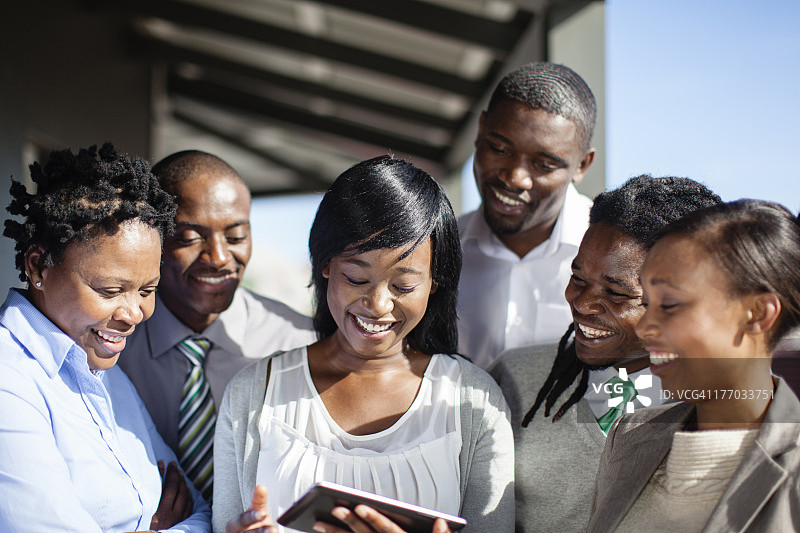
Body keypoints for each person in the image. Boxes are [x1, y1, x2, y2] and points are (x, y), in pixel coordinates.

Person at [214, 156, 515, 533]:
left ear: (435, 281)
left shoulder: (474, 401)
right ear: (325, 265)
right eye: (356, 278)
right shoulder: (253, 393)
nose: (378, 305)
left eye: (403, 286)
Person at [490, 175, 721, 532]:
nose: (582, 303)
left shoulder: (719, 411)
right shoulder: (515, 378)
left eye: (616, 293)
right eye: (578, 278)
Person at [0, 144, 211, 531]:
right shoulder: (8, 380)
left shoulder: (106, 373)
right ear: (37, 267)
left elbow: (200, 512)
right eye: (110, 291)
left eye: (147, 290)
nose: (134, 314)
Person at [587, 200, 800, 532]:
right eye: (646, 304)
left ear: (758, 314)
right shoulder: (628, 439)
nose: (644, 328)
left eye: (669, 304)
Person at [119, 150, 316, 500]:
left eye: (236, 237)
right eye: (190, 237)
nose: (220, 258)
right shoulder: (112, 343)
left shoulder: (301, 343)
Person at [458, 61, 597, 369]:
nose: (515, 178)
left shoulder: (621, 261)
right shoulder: (437, 252)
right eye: (499, 148)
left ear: (582, 166)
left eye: (544, 165)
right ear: (480, 131)